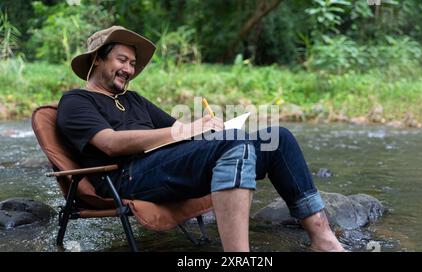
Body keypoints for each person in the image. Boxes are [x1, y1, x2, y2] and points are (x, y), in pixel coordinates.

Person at [56, 25, 345, 252]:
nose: (130, 69)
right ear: (97, 59)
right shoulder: (76, 101)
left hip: (163, 166)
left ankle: (324, 239)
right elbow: (110, 143)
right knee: (233, 145)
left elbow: (178, 129)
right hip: (125, 177)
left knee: (276, 137)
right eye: (122, 60)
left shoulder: (134, 100)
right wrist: (188, 130)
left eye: (133, 63)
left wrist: (208, 128)